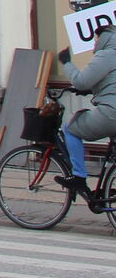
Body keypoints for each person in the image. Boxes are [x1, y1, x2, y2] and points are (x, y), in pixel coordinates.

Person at [58, 19, 116, 208]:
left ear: (103, 38)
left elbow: (81, 81)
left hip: (111, 114)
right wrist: (92, 91)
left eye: (95, 39)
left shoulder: (106, 55)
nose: (94, 44)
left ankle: (79, 177)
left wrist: (67, 63)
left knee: (70, 129)